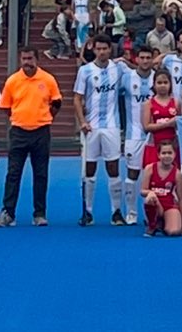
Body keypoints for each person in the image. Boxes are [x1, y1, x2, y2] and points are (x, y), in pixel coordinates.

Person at [0, 47, 62, 227]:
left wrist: (44, 117)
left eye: (30, 58)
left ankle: (39, 214)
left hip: (41, 131)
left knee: (40, 174)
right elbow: (5, 106)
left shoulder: (48, 79)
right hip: (18, 132)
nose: (27, 62)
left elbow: (57, 102)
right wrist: (19, 117)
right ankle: (8, 213)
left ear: (37, 59)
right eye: (24, 58)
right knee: (13, 173)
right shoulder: (13, 81)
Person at [73, 35, 126, 227]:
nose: (102, 52)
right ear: (93, 50)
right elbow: (77, 98)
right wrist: (82, 121)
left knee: (113, 168)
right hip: (91, 128)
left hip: (112, 126)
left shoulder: (118, 68)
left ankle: (117, 211)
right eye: (98, 49)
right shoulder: (85, 71)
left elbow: (140, 72)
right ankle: (87, 212)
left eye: (105, 48)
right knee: (89, 169)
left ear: (110, 49)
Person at [119, 46, 157, 223]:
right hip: (133, 135)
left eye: (148, 58)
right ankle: (132, 213)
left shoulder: (158, 78)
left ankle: (154, 214)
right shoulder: (127, 78)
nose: (145, 61)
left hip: (154, 135)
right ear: (137, 59)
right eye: (142, 57)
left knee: (156, 175)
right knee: (132, 174)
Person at [141, 140, 182, 237]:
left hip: (169, 205)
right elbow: (142, 190)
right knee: (150, 198)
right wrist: (150, 193)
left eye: (170, 153)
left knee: (174, 232)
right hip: (155, 203)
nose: (166, 156)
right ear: (158, 155)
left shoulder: (177, 174)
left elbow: (181, 199)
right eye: (163, 153)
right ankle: (152, 225)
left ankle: (163, 223)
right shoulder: (150, 168)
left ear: (174, 154)